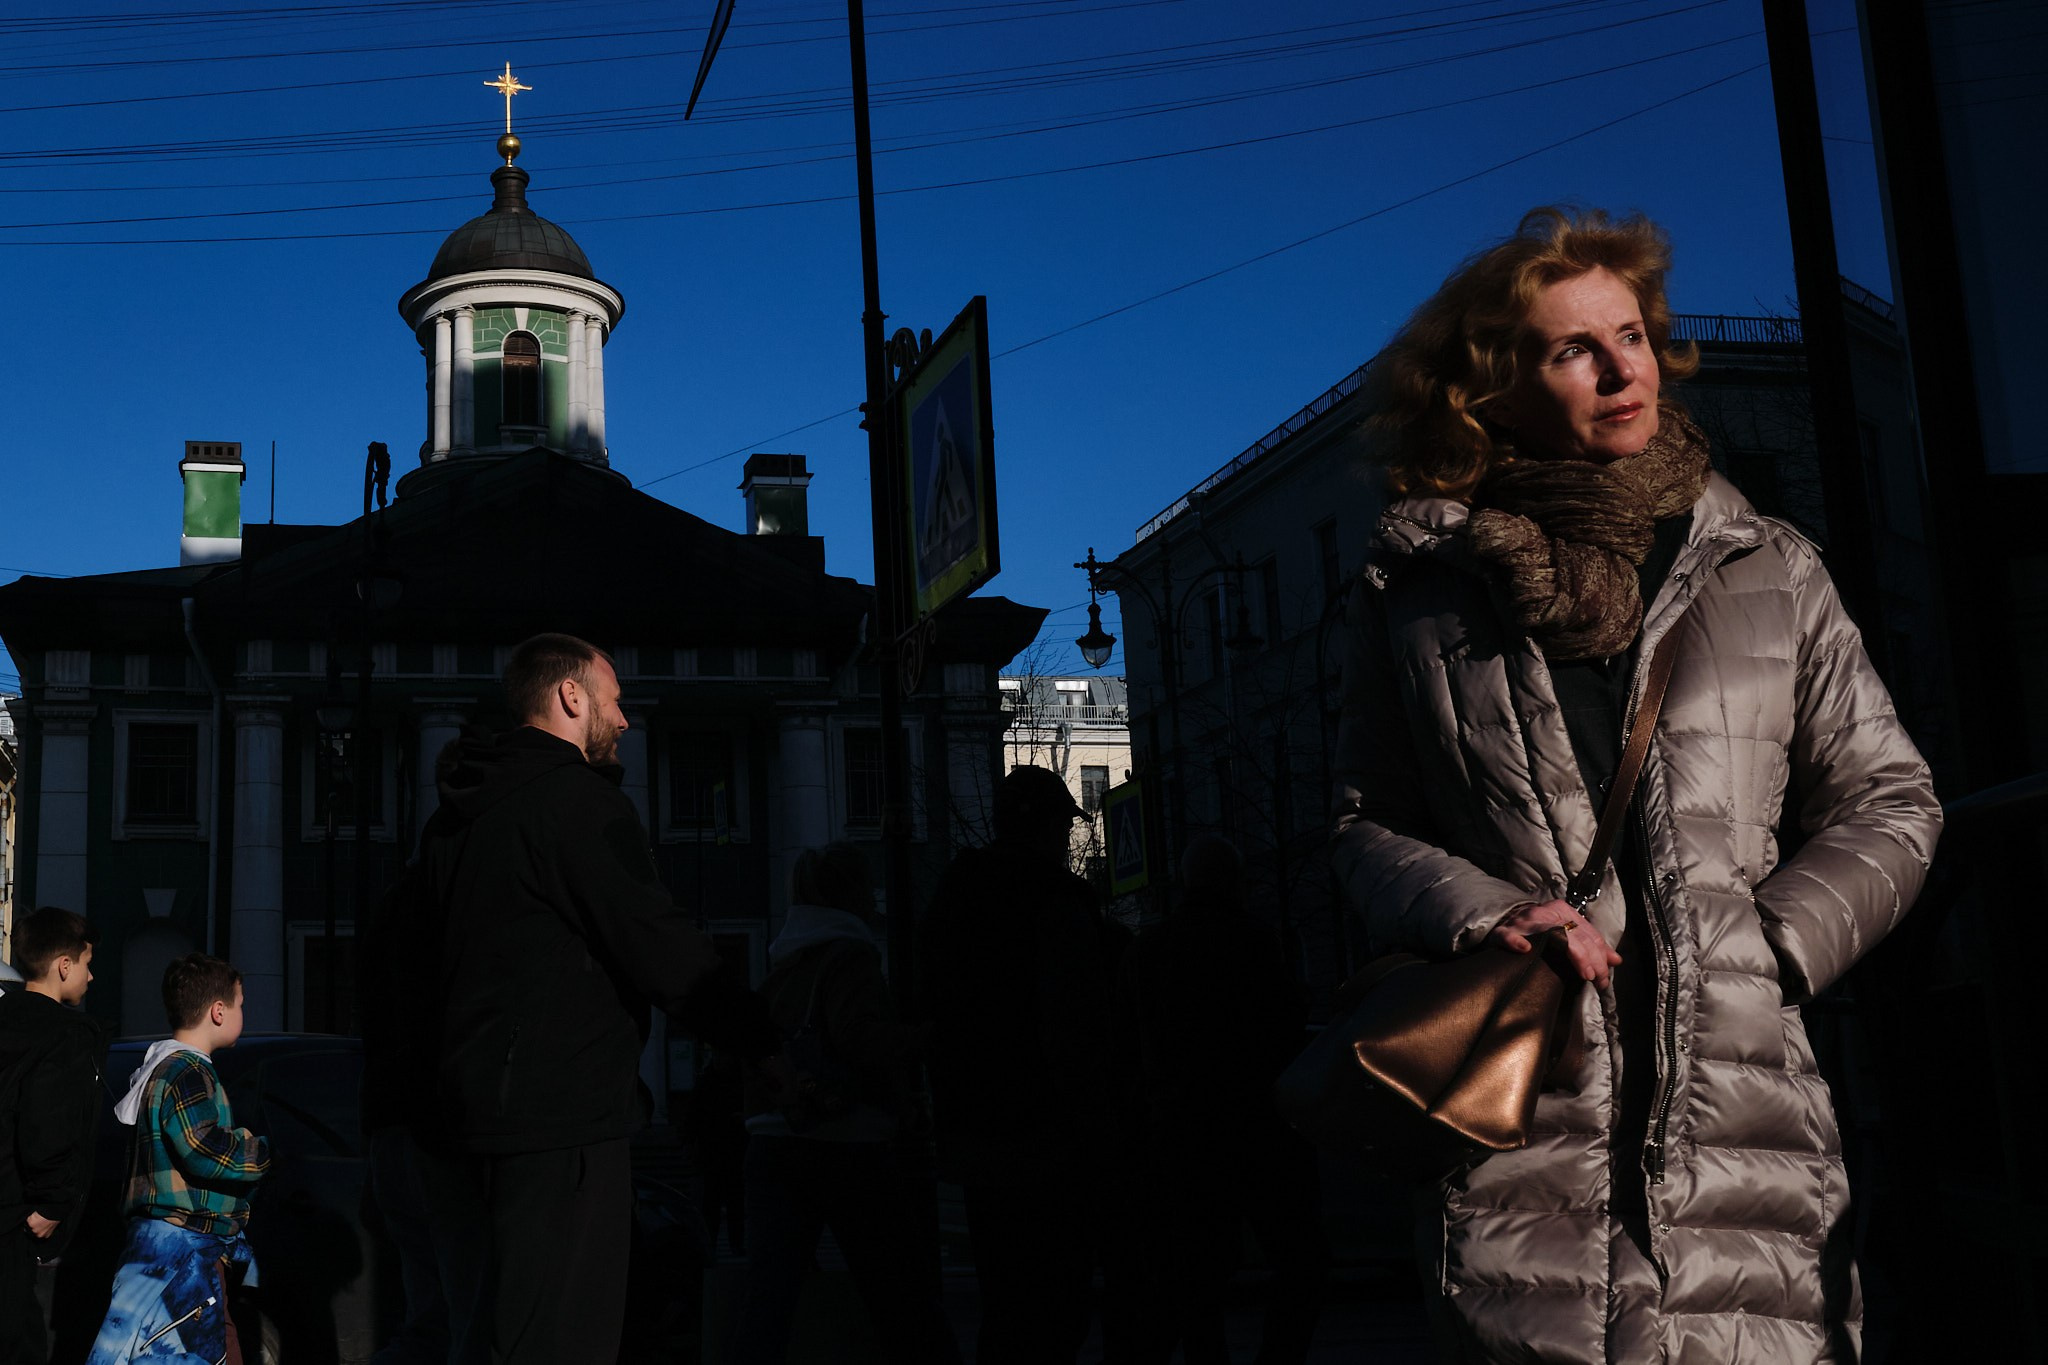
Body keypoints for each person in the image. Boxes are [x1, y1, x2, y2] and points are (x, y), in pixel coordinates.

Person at [1330, 206, 1942, 1361]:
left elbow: (1890, 799)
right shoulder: (1418, 596)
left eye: (1632, 335)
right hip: (1528, 1122)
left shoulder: (1764, 565)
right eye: (1572, 349)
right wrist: (1489, 912)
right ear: (1489, 391)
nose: (1622, 369)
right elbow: (1365, 825)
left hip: (1742, 1109)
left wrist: (1767, 946)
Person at [416, 632, 782, 1365]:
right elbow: (657, 942)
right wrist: (766, 1040)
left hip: (467, 1123)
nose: (625, 721)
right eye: (614, 703)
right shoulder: (575, 802)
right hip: (562, 1123)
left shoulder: (455, 817)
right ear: (571, 695)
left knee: (491, 1335)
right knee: (563, 1340)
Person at [726, 844, 959, 1365]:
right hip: (845, 1143)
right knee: (901, 1294)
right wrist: (923, 1039)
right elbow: (861, 1038)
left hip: (773, 1141)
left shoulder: (784, 962)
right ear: (849, 893)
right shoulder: (849, 955)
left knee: (768, 1298)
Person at [922, 765, 1123, 1365]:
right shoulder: (1055, 899)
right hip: (1047, 1136)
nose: (1067, 839)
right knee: (1055, 1307)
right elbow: (1078, 1021)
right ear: (1046, 830)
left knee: (1004, 1302)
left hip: (976, 1132)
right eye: (1064, 826)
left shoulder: (956, 892)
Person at [1119, 837, 1328, 1365]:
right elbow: (1282, 1028)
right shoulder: (1256, 942)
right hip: (1258, 1128)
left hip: (1183, 1130)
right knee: (1300, 1262)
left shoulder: (1151, 949)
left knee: (1197, 1275)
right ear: (1235, 883)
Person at [87, 954, 269, 1365]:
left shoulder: (162, 1066)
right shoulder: (186, 1071)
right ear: (218, 1012)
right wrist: (256, 1150)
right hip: (182, 1249)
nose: (244, 1012)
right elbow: (202, 1149)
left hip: (171, 1246)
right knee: (194, 1351)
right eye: (241, 1004)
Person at [0, 908, 107, 1365]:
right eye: (86, 963)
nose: (91, 974)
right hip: (16, 1212)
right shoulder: (67, 1033)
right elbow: (49, 1121)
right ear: (64, 965)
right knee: (17, 1341)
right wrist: (52, 1202)